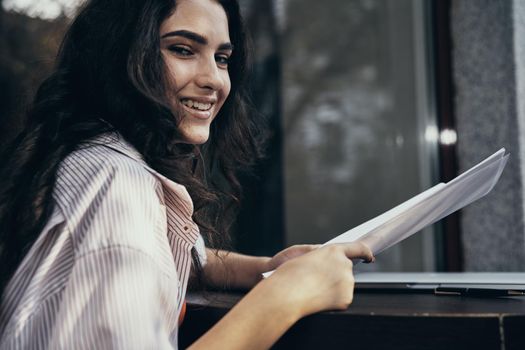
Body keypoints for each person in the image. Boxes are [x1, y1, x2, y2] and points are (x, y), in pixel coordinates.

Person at [0, 0, 374, 348]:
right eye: (183, 49)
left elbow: (165, 253)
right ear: (117, 55)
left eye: (223, 58)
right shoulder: (117, 183)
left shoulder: (97, 158)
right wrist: (287, 295)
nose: (214, 79)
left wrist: (268, 268)